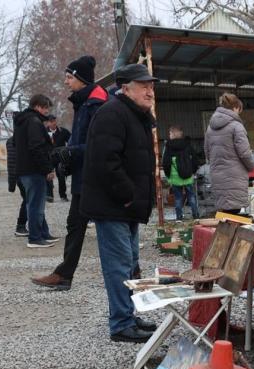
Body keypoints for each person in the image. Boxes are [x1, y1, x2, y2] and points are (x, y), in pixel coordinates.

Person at [80, 63, 158, 343]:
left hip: (126, 207)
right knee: (118, 265)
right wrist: (128, 195)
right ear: (126, 88)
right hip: (114, 206)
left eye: (151, 85)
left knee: (130, 263)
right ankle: (121, 323)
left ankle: (129, 316)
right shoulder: (112, 114)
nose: (150, 90)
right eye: (144, 85)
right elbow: (106, 162)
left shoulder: (134, 114)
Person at [31, 55, 109, 291]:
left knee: (108, 228)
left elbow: (100, 145)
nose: (65, 82)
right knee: (76, 224)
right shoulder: (84, 103)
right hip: (84, 175)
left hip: (95, 177)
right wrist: (68, 159)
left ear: (80, 78)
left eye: (68, 77)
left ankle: (130, 273)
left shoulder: (97, 104)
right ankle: (64, 274)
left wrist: (71, 151)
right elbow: (82, 140)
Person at [14, 94, 59, 248]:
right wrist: (47, 168)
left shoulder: (23, 121)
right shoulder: (34, 122)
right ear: (38, 106)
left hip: (25, 169)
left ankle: (43, 233)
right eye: (45, 107)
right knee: (35, 205)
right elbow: (36, 147)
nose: (47, 111)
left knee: (35, 203)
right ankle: (35, 238)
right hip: (34, 170)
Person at [204, 93, 254, 214]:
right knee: (234, 213)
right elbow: (244, 153)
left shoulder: (210, 128)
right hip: (234, 176)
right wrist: (251, 166)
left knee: (224, 213)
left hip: (217, 176)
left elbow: (207, 151)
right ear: (236, 107)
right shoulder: (236, 126)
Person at [162, 125, 204, 220]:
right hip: (188, 175)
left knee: (178, 198)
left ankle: (179, 218)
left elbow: (165, 162)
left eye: (170, 133)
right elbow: (195, 160)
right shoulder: (187, 145)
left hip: (175, 177)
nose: (169, 135)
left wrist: (168, 175)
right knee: (191, 197)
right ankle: (196, 215)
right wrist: (193, 171)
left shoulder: (168, 146)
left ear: (173, 134)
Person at [45, 114, 71, 202]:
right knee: (48, 176)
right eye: (51, 121)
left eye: (54, 121)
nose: (53, 123)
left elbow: (71, 141)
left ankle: (63, 195)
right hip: (49, 157)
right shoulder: (44, 132)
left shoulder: (63, 131)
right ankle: (49, 195)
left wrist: (68, 151)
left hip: (60, 157)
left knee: (61, 176)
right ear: (47, 123)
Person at [6, 136, 28, 236]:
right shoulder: (18, 140)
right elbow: (11, 162)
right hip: (23, 174)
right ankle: (21, 226)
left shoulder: (11, 140)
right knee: (29, 200)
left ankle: (22, 226)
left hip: (21, 175)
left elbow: (10, 163)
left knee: (29, 200)